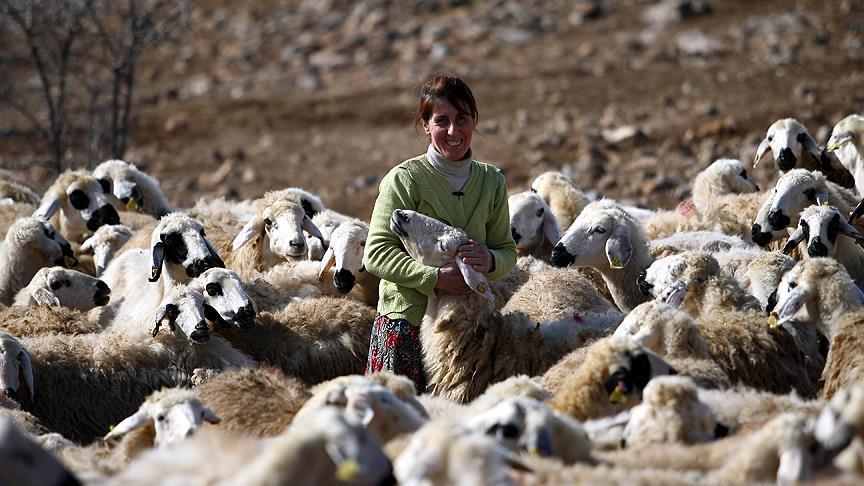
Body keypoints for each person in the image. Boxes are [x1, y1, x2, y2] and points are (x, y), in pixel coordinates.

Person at [363, 74, 517, 393]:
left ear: (474, 120)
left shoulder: (491, 182)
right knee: (398, 430)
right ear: (425, 125)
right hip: (406, 326)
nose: (452, 131)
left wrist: (489, 260)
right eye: (441, 121)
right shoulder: (404, 180)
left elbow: (507, 251)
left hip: (465, 331)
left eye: (461, 119)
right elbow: (376, 253)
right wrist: (432, 278)